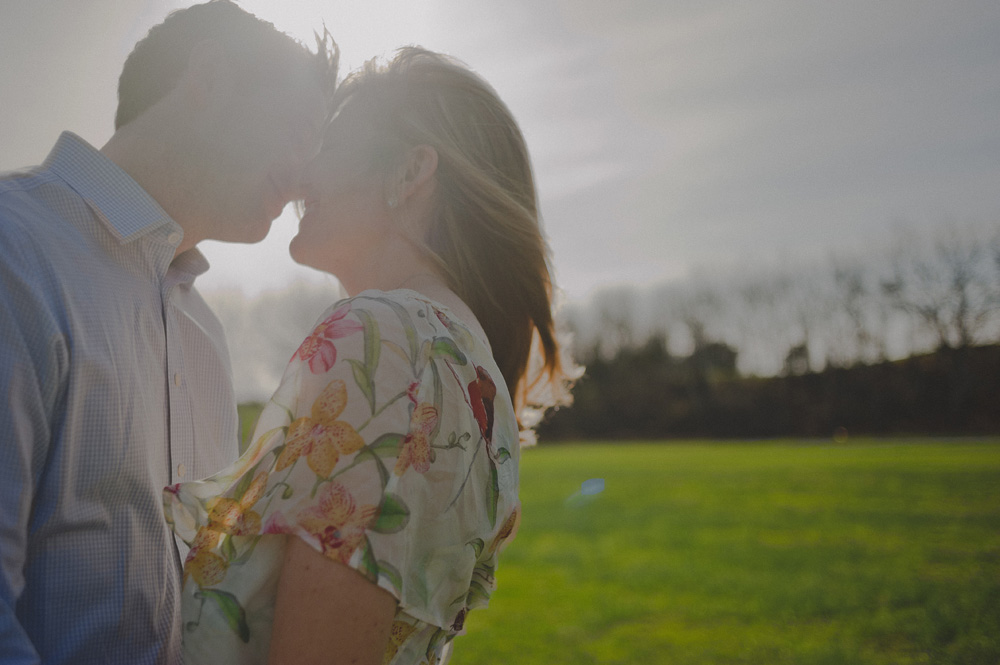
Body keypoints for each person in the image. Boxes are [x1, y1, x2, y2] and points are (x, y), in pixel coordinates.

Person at [163, 47, 575, 664]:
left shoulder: (382, 341)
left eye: (331, 142)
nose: (302, 173)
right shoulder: (469, 372)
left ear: (409, 173)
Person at [0, 3, 336, 663]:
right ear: (208, 76)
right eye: (300, 130)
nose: (305, 176)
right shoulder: (15, 252)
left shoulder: (204, 336)